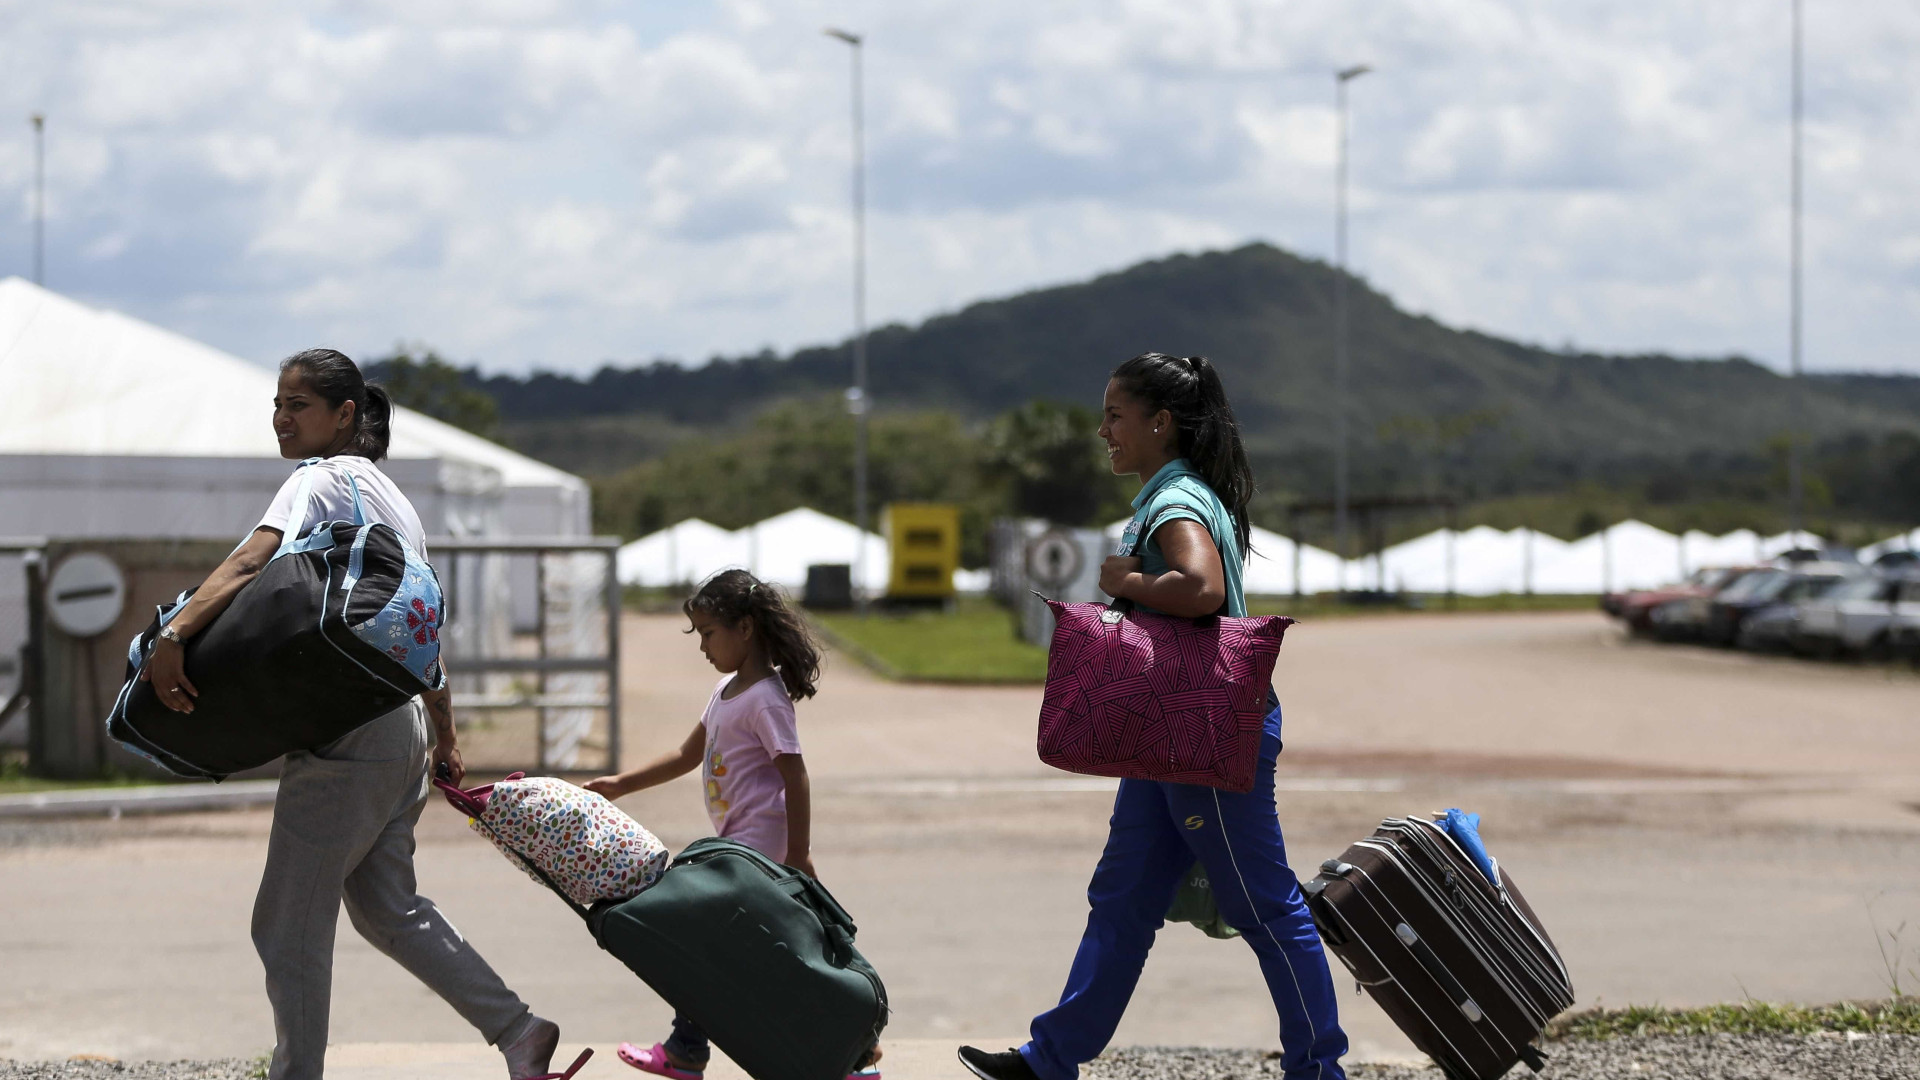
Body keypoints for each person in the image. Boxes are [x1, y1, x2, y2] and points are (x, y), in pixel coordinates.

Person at [142, 349, 565, 1080]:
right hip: (399, 724)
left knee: (284, 927)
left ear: (344, 416)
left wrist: (172, 636)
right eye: (277, 403)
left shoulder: (319, 478)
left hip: (349, 731)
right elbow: (420, 624)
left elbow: (251, 562)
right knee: (386, 909)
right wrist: (445, 733)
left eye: (298, 405)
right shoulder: (394, 500)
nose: (281, 417)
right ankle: (519, 1031)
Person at [958, 353, 1349, 1080]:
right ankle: (1050, 1059)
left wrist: (1126, 580)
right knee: (1122, 897)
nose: (1102, 428)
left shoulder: (1174, 503)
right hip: (1168, 737)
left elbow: (1198, 588)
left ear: (1159, 423)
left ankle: (1320, 1070)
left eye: (1114, 414)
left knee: (1266, 907)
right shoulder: (1177, 494)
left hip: (1202, 735)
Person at [584, 569, 879, 1080]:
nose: (702, 646)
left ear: (745, 628)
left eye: (708, 633)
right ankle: (692, 1050)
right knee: (731, 955)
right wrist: (620, 784)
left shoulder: (766, 699)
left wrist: (799, 855)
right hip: (735, 852)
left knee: (741, 953)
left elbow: (796, 775)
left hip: (763, 858)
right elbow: (685, 755)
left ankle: (850, 1054)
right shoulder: (725, 691)